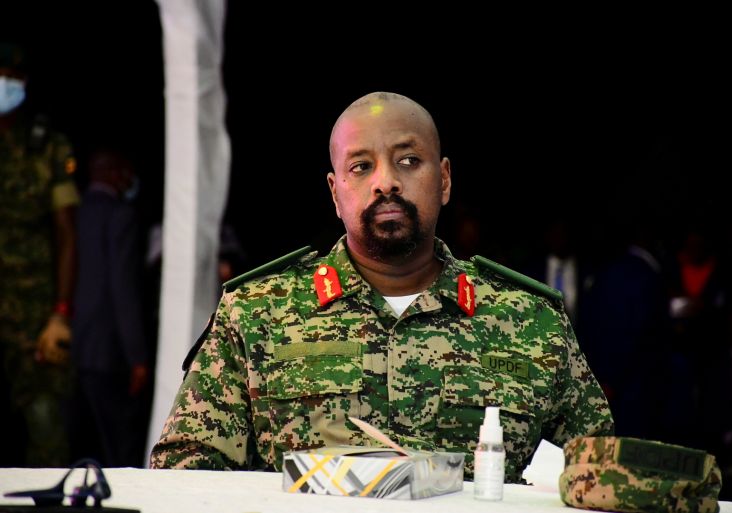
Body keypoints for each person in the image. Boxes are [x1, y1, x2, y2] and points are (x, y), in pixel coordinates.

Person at [150, 92, 613, 482]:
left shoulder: (532, 323)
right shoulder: (255, 313)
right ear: (335, 193)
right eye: (361, 167)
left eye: (409, 161)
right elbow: (186, 473)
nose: (386, 182)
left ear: (445, 179)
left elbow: (599, 476)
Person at [0, 42, 78, 466]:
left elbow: (67, 233)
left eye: (9, 76)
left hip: (30, 311)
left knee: (44, 421)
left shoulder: (45, 146)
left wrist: (59, 313)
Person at [69, 148, 149, 467]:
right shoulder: (120, 216)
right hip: (109, 350)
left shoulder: (76, 212)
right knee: (121, 448)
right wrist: (138, 357)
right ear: (115, 173)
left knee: (82, 443)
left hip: (77, 345)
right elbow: (123, 289)